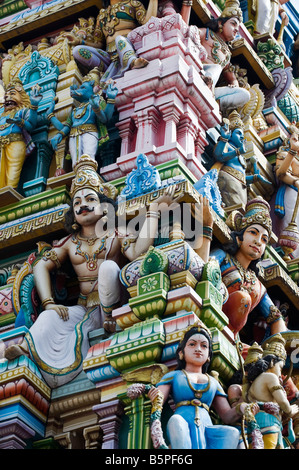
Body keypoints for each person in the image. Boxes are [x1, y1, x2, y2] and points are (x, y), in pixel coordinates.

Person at [3, 154, 179, 388]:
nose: (82, 205)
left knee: (108, 268)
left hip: (113, 304)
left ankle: (108, 320)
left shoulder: (116, 233)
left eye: (89, 199)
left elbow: (137, 253)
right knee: (49, 318)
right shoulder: (69, 243)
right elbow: (40, 266)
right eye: (76, 203)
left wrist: (154, 211)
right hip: (84, 306)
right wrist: (48, 303)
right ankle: (26, 348)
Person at [148, 324, 259, 449]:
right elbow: (159, 399)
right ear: (181, 352)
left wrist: (242, 407)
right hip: (182, 425)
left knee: (232, 433)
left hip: (207, 428)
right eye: (192, 344)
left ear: (208, 357)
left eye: (204, 346)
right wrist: (155, 397)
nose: (198, 349)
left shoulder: (213, 382)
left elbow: (227, 416)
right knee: (176, 421)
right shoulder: (174, 375)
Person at [210, 197, 287, 342]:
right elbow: (204, 268)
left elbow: (276, 318)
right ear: (240, 237)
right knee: (243, 298)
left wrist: (277, 347)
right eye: (253, 232)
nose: (258, 241)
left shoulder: (258, 285)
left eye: (264, 239)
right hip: (210, 322)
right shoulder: (224, 257)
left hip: (234, 340)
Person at [60, 0, 158, 83]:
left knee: (119, 39)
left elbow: (148, 22)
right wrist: (79, 41)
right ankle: (106, 71)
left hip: (129, 46)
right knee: (78, 51)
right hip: (110, 58)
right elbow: (99, 43)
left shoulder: (133, 4)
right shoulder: (102, 15)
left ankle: (132, 62)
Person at [243, 334, 299, 449]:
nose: (280, 372)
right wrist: (290, 410)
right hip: (267, 422)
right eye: (280, 367)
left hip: (262, 423)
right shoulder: (270, 377)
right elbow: (282, 402)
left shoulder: (256, 382)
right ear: (273, 362)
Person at [198, 0, 250, 115]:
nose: (236, 29)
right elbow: (189, 33)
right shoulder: (207, 34)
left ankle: (214, 104)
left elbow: (232, 79)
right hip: (196, 73)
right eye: (233, 24)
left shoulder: (227, 54)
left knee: (245, 94)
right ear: (221, 23)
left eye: (238, 27)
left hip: (210, 89)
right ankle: (207, 83)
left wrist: (234, 86)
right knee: (216, 68)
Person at [0, 79, 43, 189]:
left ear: (22, 96)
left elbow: (31, 125)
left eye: (12, 94)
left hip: (15, 144)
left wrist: (33, 105)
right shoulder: (1, 114)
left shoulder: (22, 111)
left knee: (12, 173)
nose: (8, 97)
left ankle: (10, 191)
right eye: (6, 96)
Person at [274, 123, 299, 259]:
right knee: (289, 226)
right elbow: (281, 173)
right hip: (292, 194)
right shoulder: (286, 154)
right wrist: (293, 150)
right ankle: (287, 255)